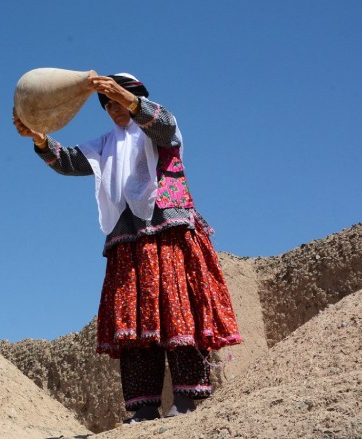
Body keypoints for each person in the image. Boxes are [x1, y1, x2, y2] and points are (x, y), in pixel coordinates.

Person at [13, 72, 242, 423]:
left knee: (176, 308)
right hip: (127, 240)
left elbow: (164, 126)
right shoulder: (107, 143)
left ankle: (186, 398)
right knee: (133, 322)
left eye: (117, 101)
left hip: (167, 233)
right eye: (106, 105)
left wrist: (127, 98)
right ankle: (145, 405)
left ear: (132, 97)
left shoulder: (158, 125)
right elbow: (70, 161)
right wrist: (40, 138)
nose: (113, 109)